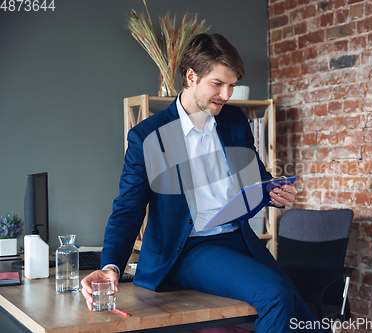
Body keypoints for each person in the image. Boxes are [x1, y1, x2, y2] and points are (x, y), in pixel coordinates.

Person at [81, 33, 323, 332]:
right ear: (191, 76)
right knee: (275, 294)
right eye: (218, 84)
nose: (226, 95)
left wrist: (274, 191)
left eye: (232, 85)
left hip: (239, 239)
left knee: (306, 321)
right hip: (189, 248)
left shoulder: (233, 120)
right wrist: (109, 267)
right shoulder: (148, 135)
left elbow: (256, 177)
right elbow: (127, 209)